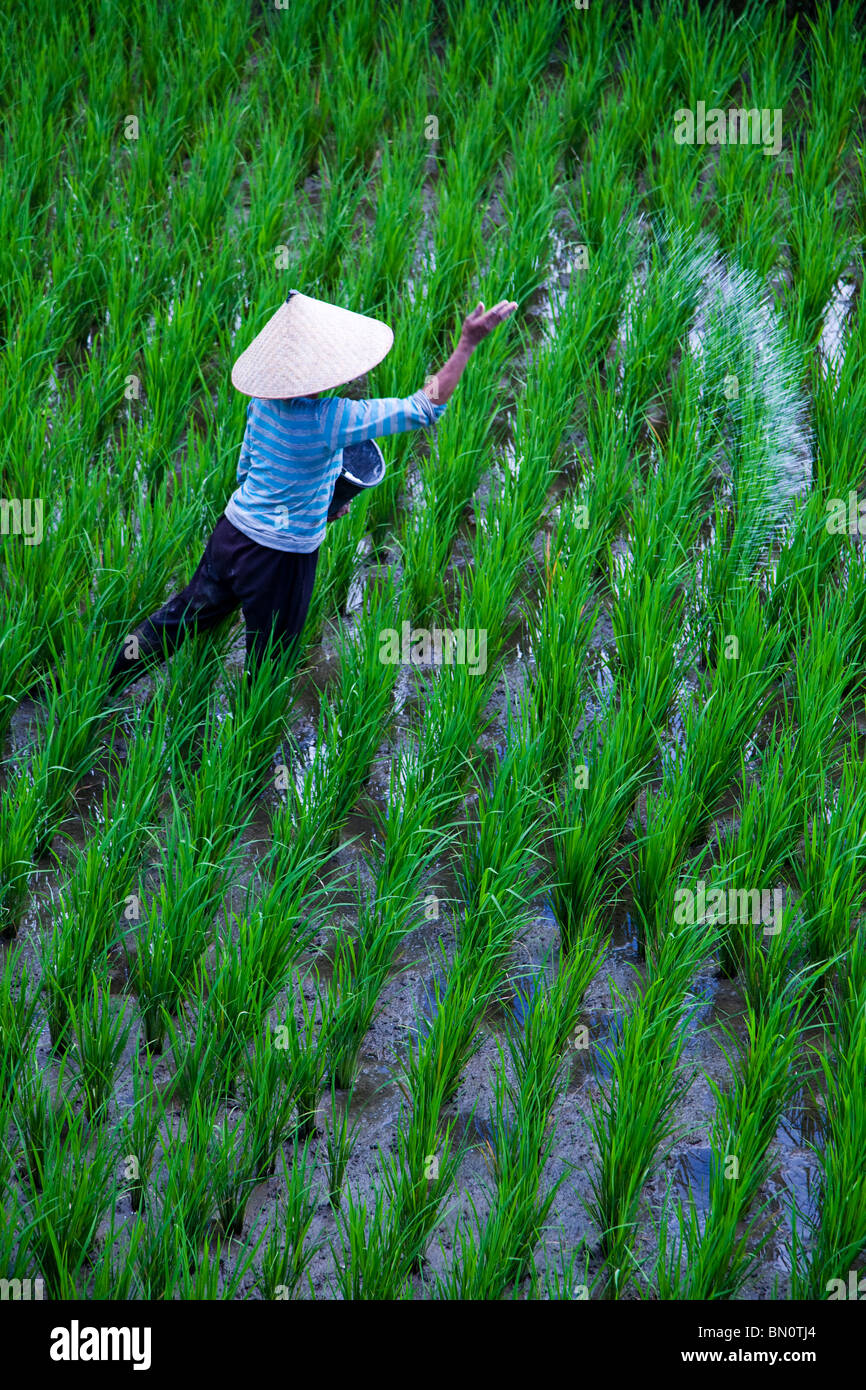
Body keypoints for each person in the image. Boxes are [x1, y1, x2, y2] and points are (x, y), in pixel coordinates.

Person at [104, 289, 517, 695]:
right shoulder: (332, 418)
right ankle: (246, 745)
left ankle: (101, 680)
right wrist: (466, 344)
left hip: (230, 535)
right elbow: (423, 407)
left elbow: (247, 469)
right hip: (279, 559)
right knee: (268, 669)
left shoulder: (262, 401)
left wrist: (311, 502)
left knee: (178, 620)